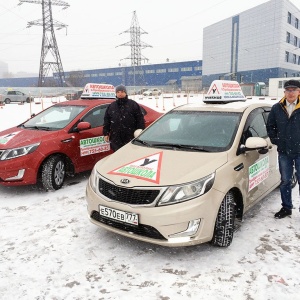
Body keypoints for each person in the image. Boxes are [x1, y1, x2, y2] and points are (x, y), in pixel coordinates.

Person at [266, 79, 300, 219]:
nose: (291, 93)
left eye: (294, 90)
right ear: (284, 92)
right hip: (284, 151)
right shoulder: (277, 108)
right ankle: (286, 207)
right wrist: (276, 140)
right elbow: (270, 126)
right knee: (285, 180)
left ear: (299, 92)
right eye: (288, 90)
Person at [103, 84, 145, 151]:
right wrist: (106, 133)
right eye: (118, 92)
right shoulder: (112, 106)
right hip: (116, 138)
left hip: (130, 137)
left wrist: (139, 131)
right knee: (117, 156)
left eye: (122, 92)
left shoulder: (133, 104)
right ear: (116, 93)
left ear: (125, 93)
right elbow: (107, 120)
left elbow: (140, 119)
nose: (120, 94)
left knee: (129, 155)